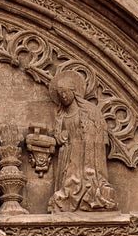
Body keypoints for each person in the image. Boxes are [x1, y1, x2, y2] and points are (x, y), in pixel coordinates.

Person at [48, 69, 114, 212]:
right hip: (69, 154)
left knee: (85, 180)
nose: (64, 96)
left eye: (66, 92)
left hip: (87, 152)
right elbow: (58, 137)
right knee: (69, 182)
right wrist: (60, 137)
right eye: (60, 94)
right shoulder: (61, 115)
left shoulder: (89, 111)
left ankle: (92, 195)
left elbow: (99, 133)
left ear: (74, 91)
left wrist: (88, 136)